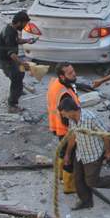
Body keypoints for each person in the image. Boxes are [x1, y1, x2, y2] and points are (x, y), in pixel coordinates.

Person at [59, 99, 110, 210]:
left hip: (93, 155)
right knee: (78, 179)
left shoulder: (91, 118)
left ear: (70, 111)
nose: (64, 116)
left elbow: (106, 135)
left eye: (64, 114)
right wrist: (68, 154)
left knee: (91, 181)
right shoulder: (72, 120)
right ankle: (86, 201)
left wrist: (108, 152)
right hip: (80, 154)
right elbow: (72, 138)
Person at [47, 62, 80, 194]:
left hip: (56, 126)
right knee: (70, 156)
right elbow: (67, 118)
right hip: (66, 129)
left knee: (63, 152)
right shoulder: (65, 95)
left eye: (73, 71)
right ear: (62, 76)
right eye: (70, 73)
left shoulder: (56, 84)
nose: (74, 74)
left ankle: (61, 176)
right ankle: (69, 185)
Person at [0, 10, 36, 112]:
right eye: (24, 24)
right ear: (19, 22)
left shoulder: (12, 28)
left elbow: (17, 40)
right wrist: (22, 63)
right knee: (17, 78)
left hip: (10, 59)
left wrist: (27, 41)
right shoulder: (9, 33)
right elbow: (12, 54)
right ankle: (12, 104)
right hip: (7, 61)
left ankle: (17, 91)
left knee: (19, 74)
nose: (25, 27)